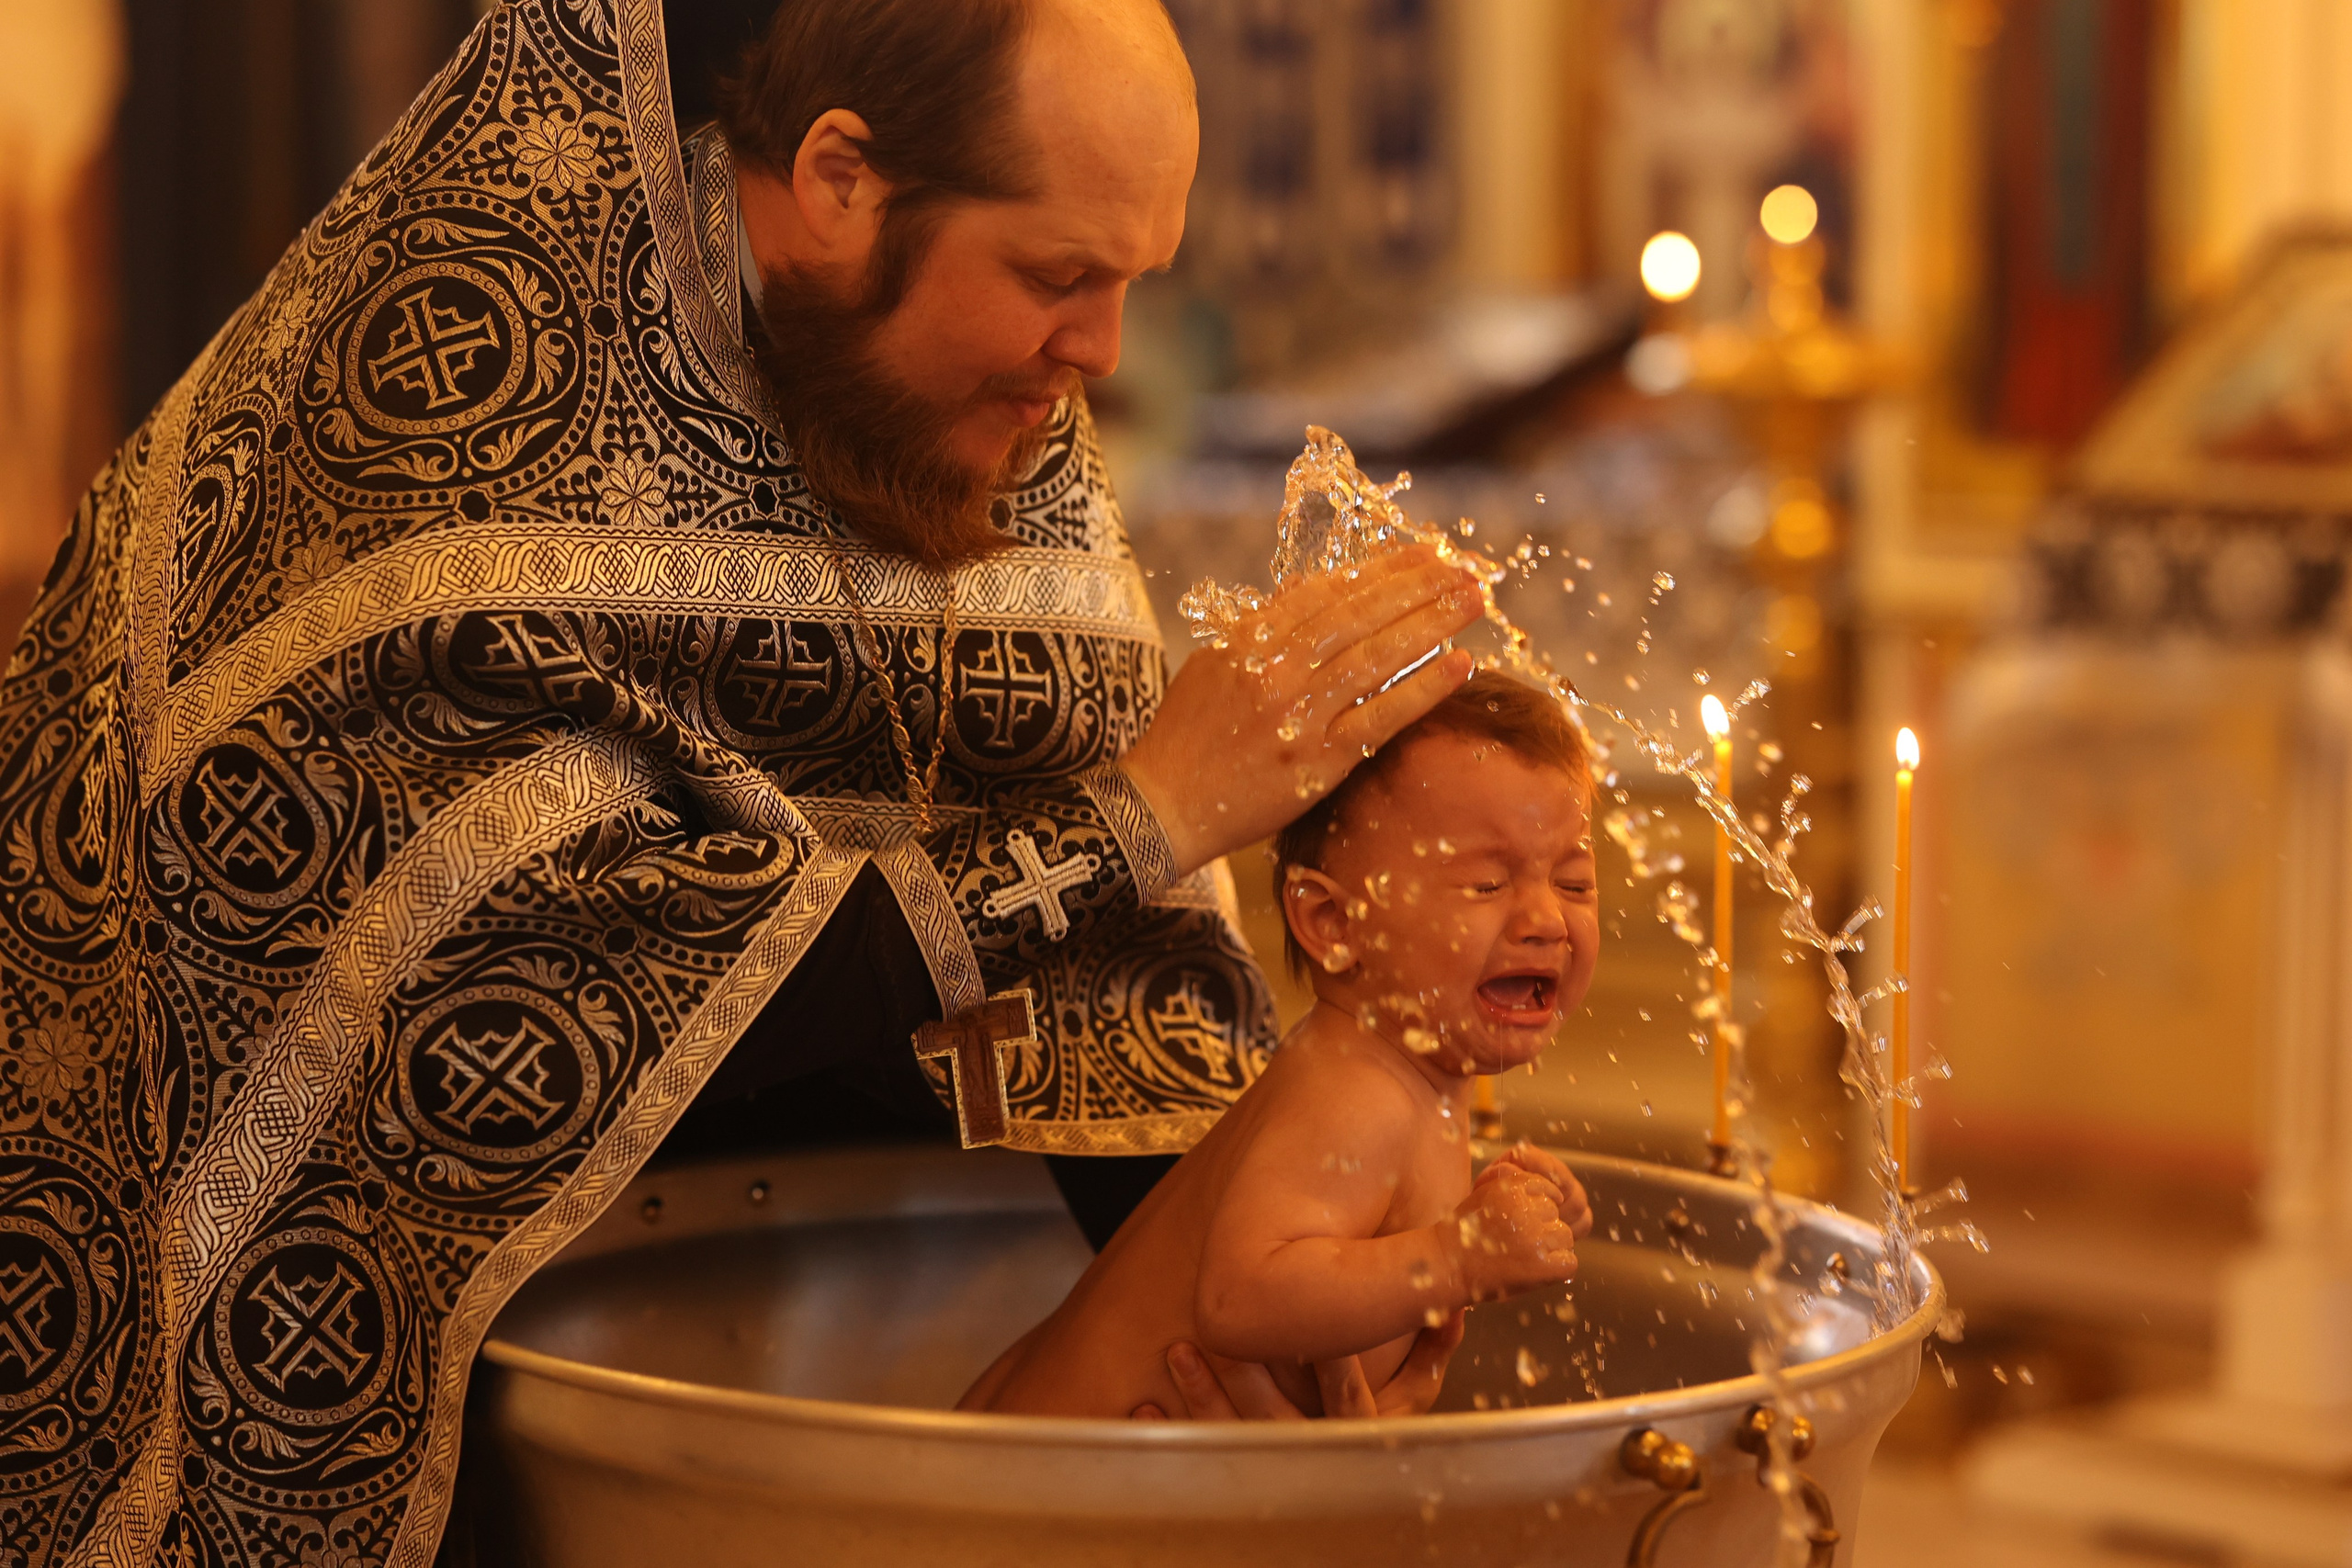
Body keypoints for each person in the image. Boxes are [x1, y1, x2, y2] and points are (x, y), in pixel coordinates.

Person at [0, 1, 1485, 1562]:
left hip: (795, 1350)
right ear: (842, 181)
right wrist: (1146, 814)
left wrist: (1253, 1296)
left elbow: (1106, 966)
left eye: (1129, 280)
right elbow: (520, 1019)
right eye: (1060, 276)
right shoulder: (461, 385)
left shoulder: (980, 403)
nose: (1101, 354)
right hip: (404, 1372)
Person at [961, 672, 1600, 1419]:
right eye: (1487, 884)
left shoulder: (1408, 1076)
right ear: (1334, 923)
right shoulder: (1356, 1091)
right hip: (1036, 1479)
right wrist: (1461, 1255)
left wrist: (1501, 1219)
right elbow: (1240, 1297)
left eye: (1575, 882)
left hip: (1088, 1476)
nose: (1547, 920)